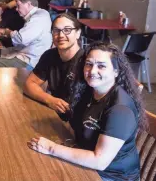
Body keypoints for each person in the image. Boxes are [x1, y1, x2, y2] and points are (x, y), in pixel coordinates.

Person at [28, 42, 147, 181]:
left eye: (101, 66)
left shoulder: (120, 109)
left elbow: (99, 161)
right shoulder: (88, 91)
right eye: (89, 64)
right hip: (87, 162)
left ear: (116, 71)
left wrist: (52, 148)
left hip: (111, 175)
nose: (92, 71)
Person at [24, 13, 83, 119]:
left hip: (77, 123)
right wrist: (50, 100)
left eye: (67, 30)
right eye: (56, 30)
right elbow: (29, 84)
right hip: (53, 116)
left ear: (78, 33)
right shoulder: (49, 56)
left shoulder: (87, 61)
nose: (61, 35)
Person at [0, 0, 51, 69]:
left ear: (28, 4)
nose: (16, 9)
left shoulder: (38, 17)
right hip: (25, 51)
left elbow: (20, 39)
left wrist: (7, 32)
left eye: (18, 6)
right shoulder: (37, 15)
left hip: (31, 60)